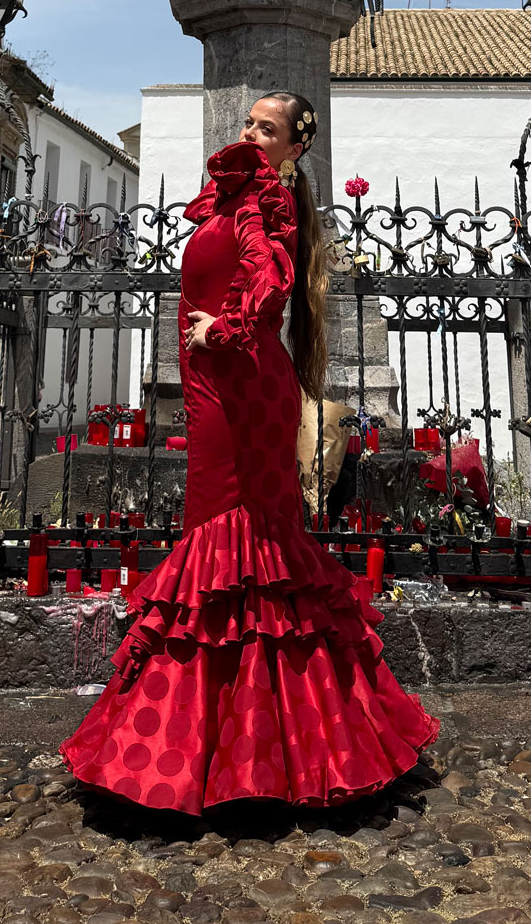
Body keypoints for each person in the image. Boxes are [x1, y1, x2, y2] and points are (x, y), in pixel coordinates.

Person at [61, 92, 438, 813]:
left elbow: (270, 285)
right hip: (221, 393)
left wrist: (222, 333)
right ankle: (236, 746)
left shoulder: (268, 201)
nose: (250, 133)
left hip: (238, 393)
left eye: (266, 128)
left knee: (237, 549)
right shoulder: (235, 201)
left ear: (293, 147)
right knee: (229, 552)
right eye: (248, 123)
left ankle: (249, 753)